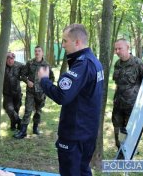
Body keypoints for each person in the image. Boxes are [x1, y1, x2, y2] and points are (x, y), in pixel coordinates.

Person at [38, 24, 104, 176]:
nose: (62, 45)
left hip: (75, 134)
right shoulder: (94, 61)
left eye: (65, 41)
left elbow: (62, 95)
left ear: (77, 42)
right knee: (83, 170)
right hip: (87, 132)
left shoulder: (83, 64)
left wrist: (44, 80)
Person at [112, 38, 143, 155]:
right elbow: (117, 83)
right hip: (118, 105)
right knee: (118, 130)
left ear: (127, 47)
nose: (117, 51)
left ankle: (130, 153)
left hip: (132, 106)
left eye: (119, 48)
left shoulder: (138, 63)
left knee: (130, 131)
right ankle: (121, 151)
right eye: (115, 49)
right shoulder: (117, 64)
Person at [13, 46, 54, 139]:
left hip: (41, 93)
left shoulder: (46, 65)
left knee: (38, 111)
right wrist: (27, 81)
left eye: (39, 51)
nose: (37, 53)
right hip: (30, 92)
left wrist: (46, 87)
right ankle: (23, 131)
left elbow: (51, 78)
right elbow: (22, 75)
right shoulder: (30, 63)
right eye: (35, 51)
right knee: (28, 110)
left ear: (42, 53)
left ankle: (35, 128)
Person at [3, 52, 24, 131]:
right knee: (9, 109)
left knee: (16, 109)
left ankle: (13, 125)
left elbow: (27, 69)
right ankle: (19, 121)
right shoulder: (2, 66)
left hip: (17, 92)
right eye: (7, 59)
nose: (9, 60)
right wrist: (5, 54)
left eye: (11, 58)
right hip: (7, 93)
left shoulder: (19, 65)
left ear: (14, 59)